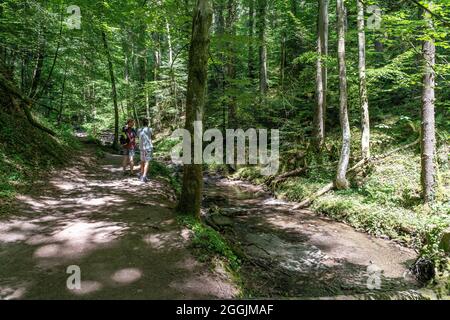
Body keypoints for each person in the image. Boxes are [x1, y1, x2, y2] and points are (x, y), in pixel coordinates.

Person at [138, 119, 153, 183]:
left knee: (142, 161)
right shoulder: (150, 129)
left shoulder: (139, 130)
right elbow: (152, 136)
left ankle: (141, 174)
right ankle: (144, 176)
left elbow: (138, 136)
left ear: (142, 123)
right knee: (147, 162)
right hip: (148, 147)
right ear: (147, 123)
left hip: (141, 148)